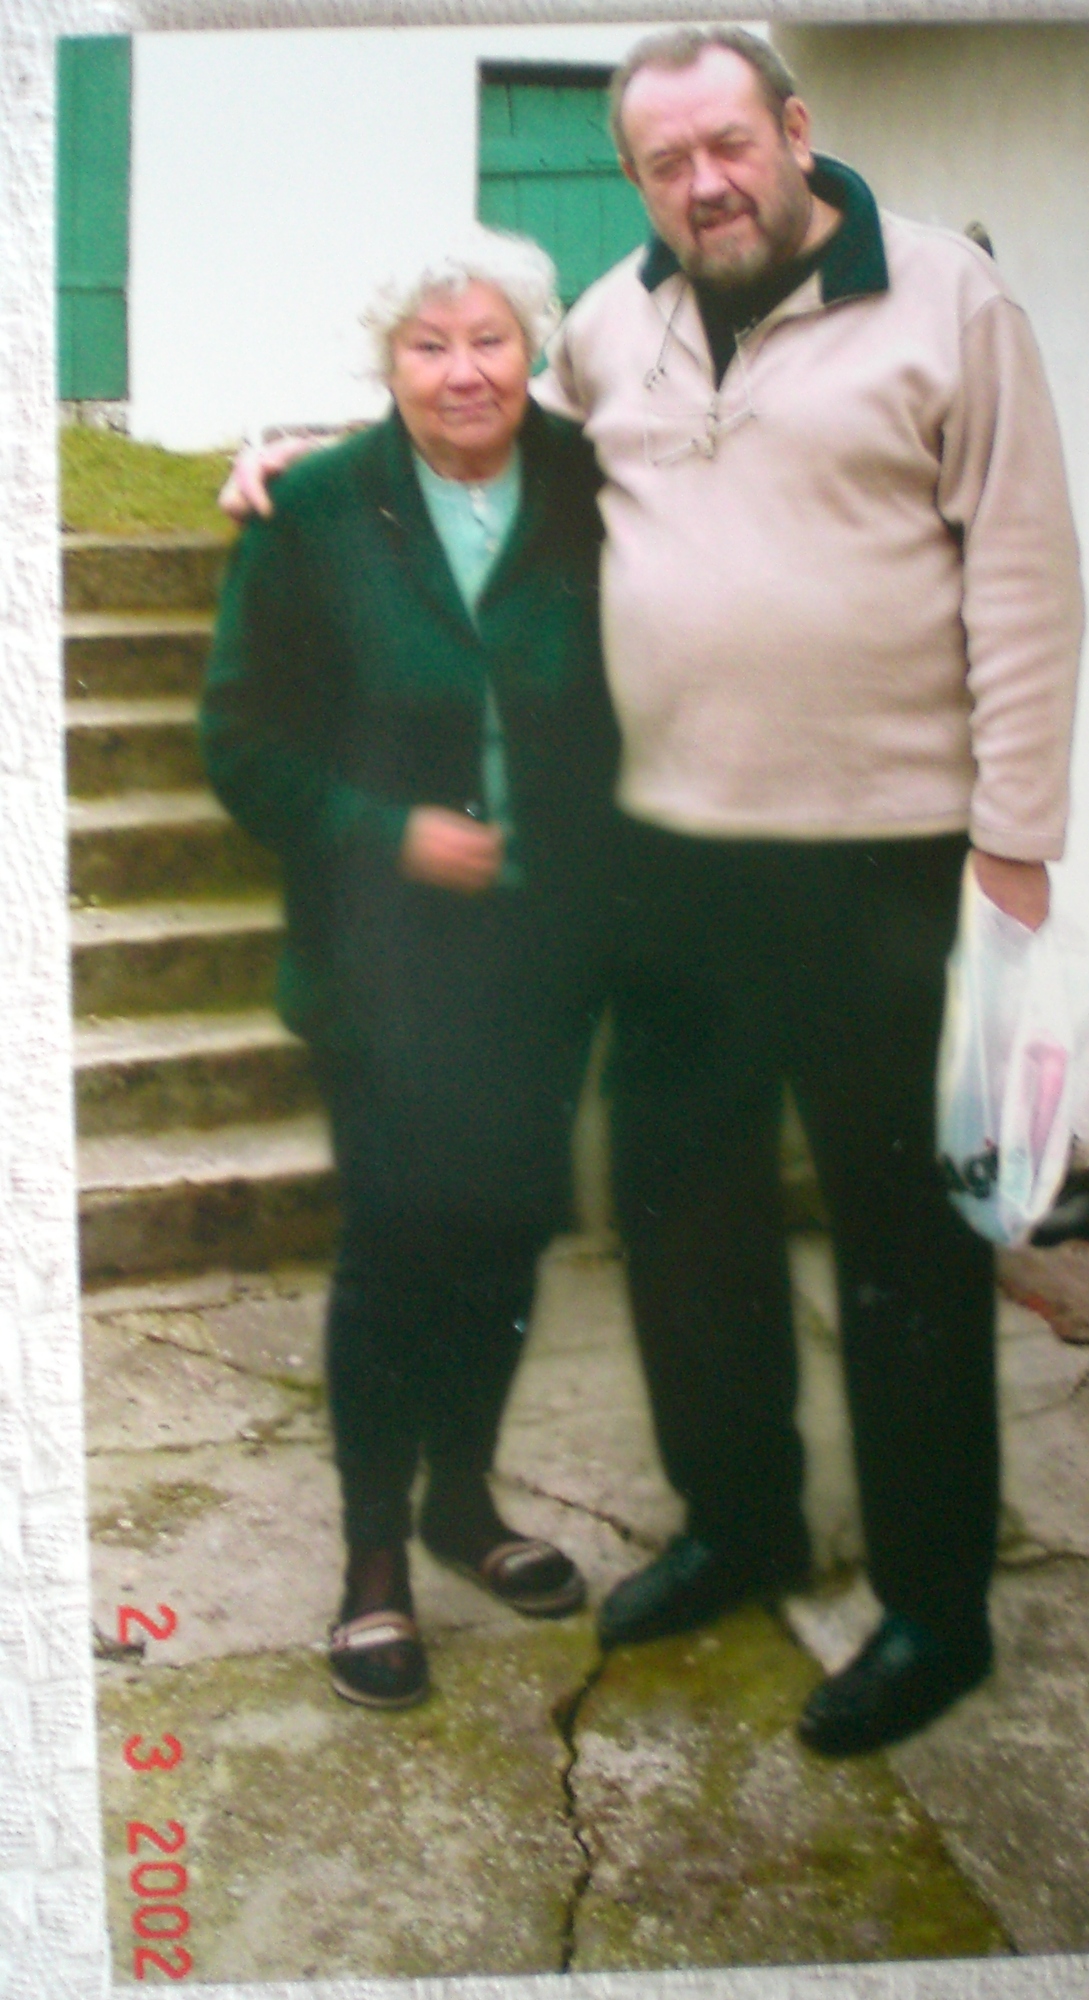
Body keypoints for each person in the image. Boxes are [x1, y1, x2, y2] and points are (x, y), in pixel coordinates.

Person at [222, 27, 1084, 1757]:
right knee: (686, 1218)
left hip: (882, 862)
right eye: (666, 162)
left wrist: (1016, 843)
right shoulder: (614, 322)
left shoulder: (950, 303)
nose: (705, 183)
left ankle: (933, 1609)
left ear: (794, 130)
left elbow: (1027, 571)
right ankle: (737, 1520)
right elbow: (482, 419)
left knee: (903, 1245)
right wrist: (306, 454)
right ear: (634, 178)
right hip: (671, 857)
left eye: (729, 145)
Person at [200, 227, 620, 1709]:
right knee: (393, 1243)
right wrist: (387, 834)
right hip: (380, 955)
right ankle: (373, 1557)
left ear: (536, 349)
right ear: (388, 361)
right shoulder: (315, 507)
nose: (462, 372)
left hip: (542, 948)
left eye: (490, 340)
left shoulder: (594, 484)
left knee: (505, 1233)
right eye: (429, 346)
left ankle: (464, 1504)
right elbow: (239, 741)